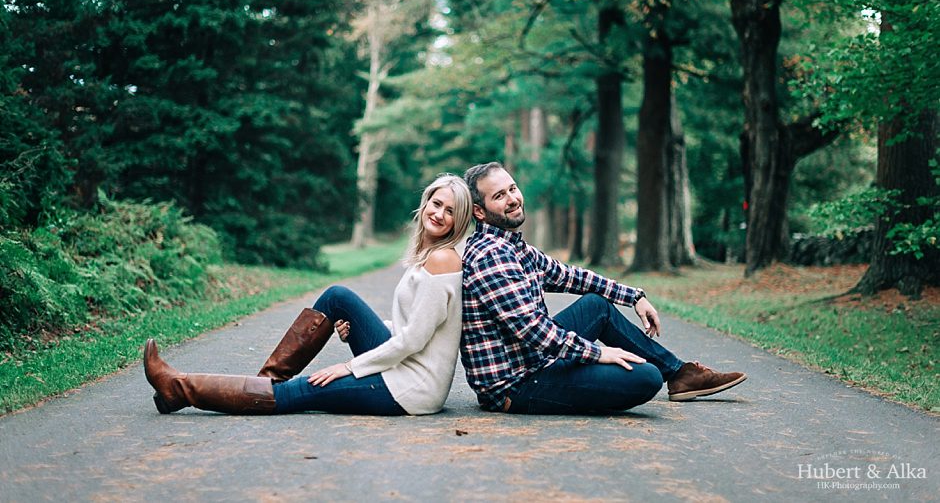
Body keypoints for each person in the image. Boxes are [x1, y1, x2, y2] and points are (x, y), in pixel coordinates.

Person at [143, 174, 473, 416]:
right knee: (337, 296)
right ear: (426, 202)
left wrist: (350, 366)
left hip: (411, 388)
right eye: (436, 203)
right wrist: (359, 330)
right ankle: (264, 385)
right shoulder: (428, 254)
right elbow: (413, 325)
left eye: (450, 211)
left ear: (459, 221)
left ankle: (180, 388)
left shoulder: (443, 259)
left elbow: (414, 340)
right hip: (401, 367)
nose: (439, 214)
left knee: (306, 390)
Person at [460, 161, 746, 414]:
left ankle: (679, 374)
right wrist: (599, 353)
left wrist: (634, 296)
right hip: (517, 384)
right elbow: (533, 330)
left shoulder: (511, 247)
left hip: (529, 358)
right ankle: (663, 373)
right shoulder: (491, 256)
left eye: (512, 189)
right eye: (499, 196)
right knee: (646, 378)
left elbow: (571, 276)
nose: (512, 199)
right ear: (479, 212)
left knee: (596, 305)